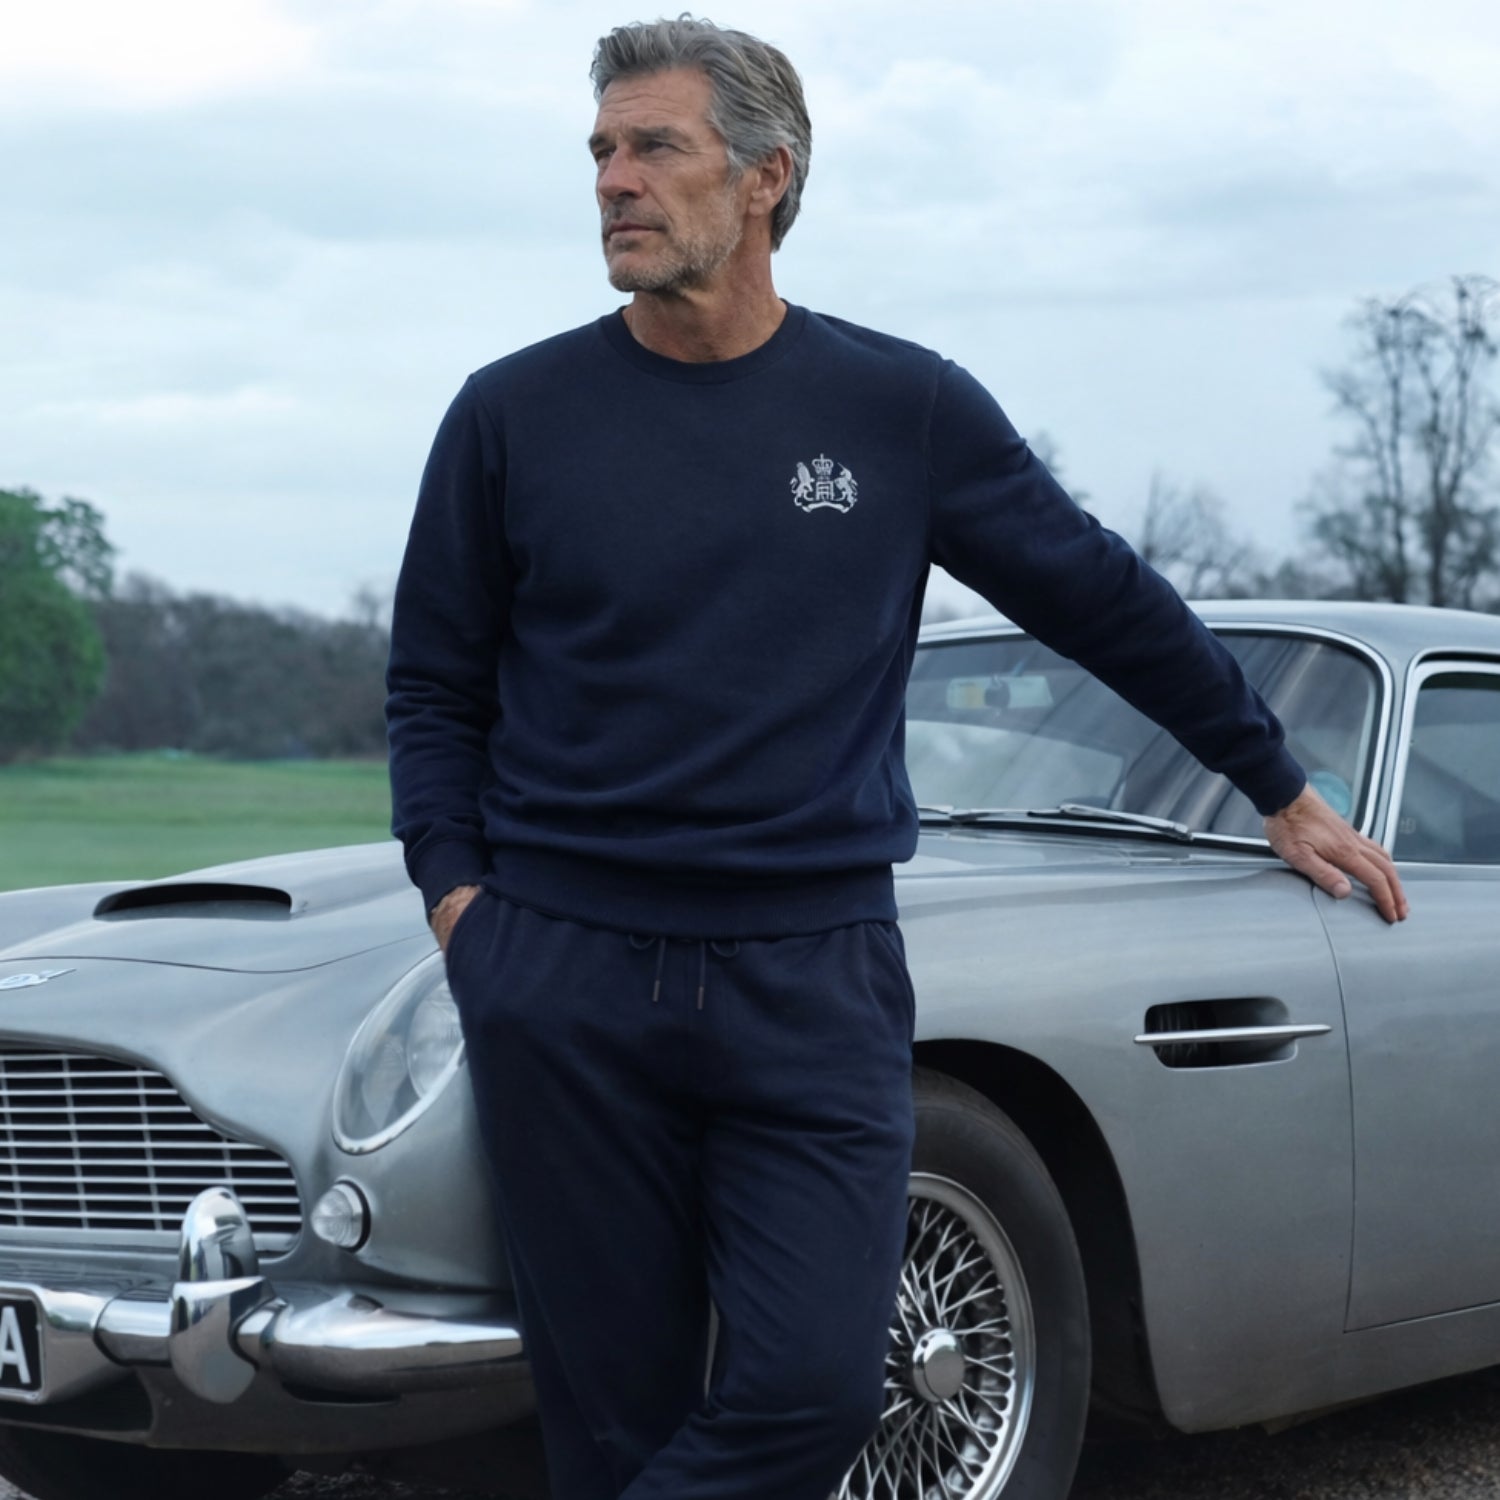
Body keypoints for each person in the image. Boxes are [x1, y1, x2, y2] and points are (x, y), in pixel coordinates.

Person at [385, 18, 1408, 1500]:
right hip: (566, 974)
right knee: (611, 1420)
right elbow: (433, 686)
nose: (613, 180)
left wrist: (1277, 783)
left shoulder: (897, 408)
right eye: (601, 150)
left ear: (766, 177)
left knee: (816, 1387)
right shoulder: (510, 416)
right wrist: (462, 907)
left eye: (654, 146)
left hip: (811, 976)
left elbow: (1097, 596)